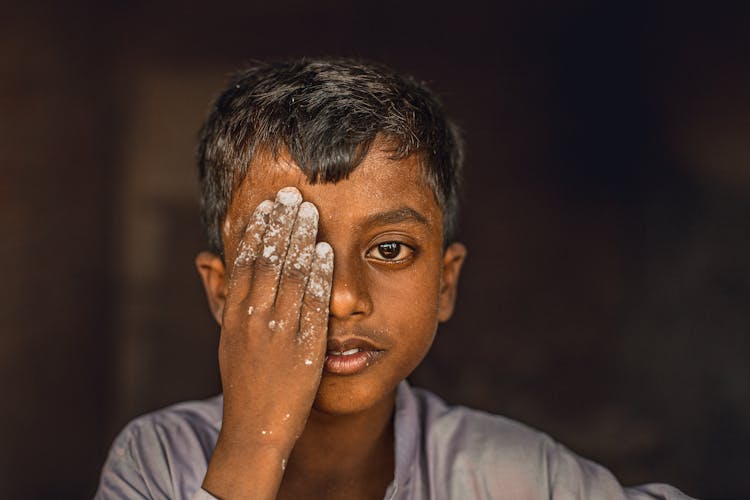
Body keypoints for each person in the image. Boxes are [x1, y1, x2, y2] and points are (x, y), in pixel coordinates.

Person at [95, 58, 694, 499]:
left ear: (446, 284)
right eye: (293, 258)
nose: (346, 296)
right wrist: (254, 444)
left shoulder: (516, 476)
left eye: (389, 248)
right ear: (224, 293)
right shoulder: (159, 464)